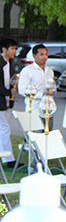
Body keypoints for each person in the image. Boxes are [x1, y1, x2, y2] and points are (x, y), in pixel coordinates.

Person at [0, 38, 17, 166]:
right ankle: (8, 159)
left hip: (6, 102)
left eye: (15, 49)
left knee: (4, 129)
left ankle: (6, 157)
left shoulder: (10, 64)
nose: (14, 51)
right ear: (4, 49)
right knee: (5, 129)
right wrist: (8, 92)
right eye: (12, 48)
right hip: (1, 102)